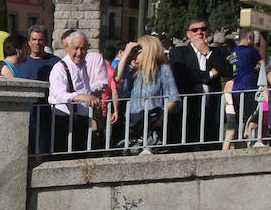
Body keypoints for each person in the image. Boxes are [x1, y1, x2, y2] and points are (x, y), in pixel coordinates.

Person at [168, 16, 229, 149]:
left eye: (203, 29)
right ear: (188, 34)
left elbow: (228, 71)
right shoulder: (178, 53)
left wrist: (206, 52)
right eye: (195, 30)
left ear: (209, 31)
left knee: (211, 146)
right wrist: (210, 74)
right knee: (186, 147)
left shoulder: (217, 53)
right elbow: (184, 75)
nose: (199, 32)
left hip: (212, 109)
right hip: (188, 108)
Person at [114, 37, 180, 148]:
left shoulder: (163, 69)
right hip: (133, 123)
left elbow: (173, 98)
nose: (134, 54)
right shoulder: (135, 71)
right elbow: (118, 78)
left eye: (137, 51)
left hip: (153, 123)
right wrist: (126, 54)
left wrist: (161, 119)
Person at [48, 30, 101, 155]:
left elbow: (85, 90)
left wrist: (91, 100)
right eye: (76, 48)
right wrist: (79, 97)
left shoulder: (83, 66)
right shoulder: (60, 68)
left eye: (83, 49)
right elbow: (59, 95)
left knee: (80, 155)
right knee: (63, 157)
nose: (79, 53)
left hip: (81, 120)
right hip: (64, 121)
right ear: (68, 48)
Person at [228, 28, 265, 143]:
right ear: (249, 38)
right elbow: (262, 64)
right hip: (249, 87)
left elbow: (231, 63)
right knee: (252, 116)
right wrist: (258, 67)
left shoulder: (234, 51)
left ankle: (239, 141)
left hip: (236, 89)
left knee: (240, 119)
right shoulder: (250, 50)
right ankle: (250, 139)